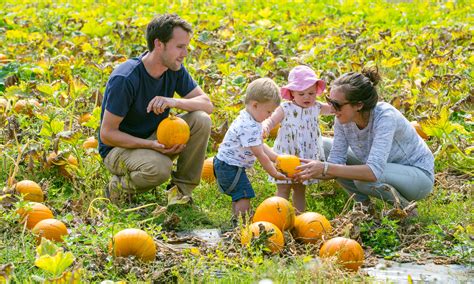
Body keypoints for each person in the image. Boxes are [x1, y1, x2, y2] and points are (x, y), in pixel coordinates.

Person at [99, 14, 213, 202]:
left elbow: (207, 105)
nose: (185, 54)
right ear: (159, 44)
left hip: (154, 139)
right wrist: (151, 145)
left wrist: (173, 101)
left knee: (201, 119)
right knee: (159, 169)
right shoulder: (125, 78)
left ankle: (181, 193)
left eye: (186, 47)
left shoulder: (174, 69)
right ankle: (116, 189)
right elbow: (108, 134)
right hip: (118, 149)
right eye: (179, 47)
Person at [294, 66, 434, 215]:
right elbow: (335, 164)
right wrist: (303, 171)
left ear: (358, 105)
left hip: (418, 178)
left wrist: (324, 167)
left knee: (363, 180)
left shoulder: (385, 116)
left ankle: (408, 212)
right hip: (381, 168)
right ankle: (365, 208)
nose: (332, 109)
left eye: (337, 104)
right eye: (330, 101)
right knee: (323, 145)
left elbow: (372, 172)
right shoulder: (342, 120)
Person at [214, 78, 288, 222]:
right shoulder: (249, 126)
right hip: (229, 167)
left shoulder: (249, 117)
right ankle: (243, 225)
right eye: (269, 111)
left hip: (226, 164)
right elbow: (259, 153)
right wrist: (274, 173)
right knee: (244, 195)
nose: (270, 116)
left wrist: (276, 158)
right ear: (255, 105)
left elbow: (259, 144)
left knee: (239, 195)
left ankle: (236, 223)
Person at [262, 65, 332, 214]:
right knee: (283, 186)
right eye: (302, 93)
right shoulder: (285, 108)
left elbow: (335, 109)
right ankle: (280, 216)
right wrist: (265, 127)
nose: (307, 97)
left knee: (300, 188)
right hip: (286, 154)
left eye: (311, 93)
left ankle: (298, 218)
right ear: (292, 92)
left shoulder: (317, 107)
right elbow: (271, 120)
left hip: (305, 156)